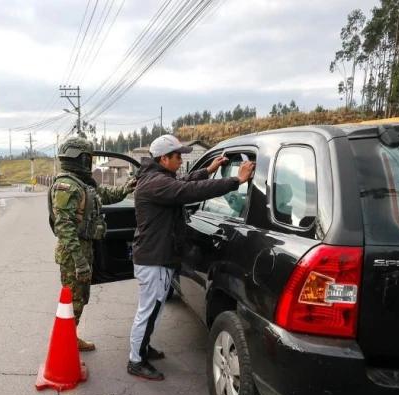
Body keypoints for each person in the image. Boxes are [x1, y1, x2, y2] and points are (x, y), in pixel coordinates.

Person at [127, 134, 254, 380]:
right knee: (148, 310)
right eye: (177, 156)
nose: (180, 160)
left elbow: (185, 181)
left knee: (154, 308)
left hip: (156, 256)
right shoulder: (156, 183)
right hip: (154, 259)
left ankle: (142, 347)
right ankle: (135, 360)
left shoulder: (157, 177)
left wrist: (209, 169)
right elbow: (188, 190)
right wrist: (236, 180)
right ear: (164, 158)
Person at [48, 136, 135, 351]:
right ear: (79, 158)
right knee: (74, 300)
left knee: (81, 297)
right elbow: (64, 227)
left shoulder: (82, 184)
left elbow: (104, 195)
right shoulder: (66, 187)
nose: (90, 162)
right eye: (88, 158)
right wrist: (78, 260)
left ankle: (70, 337)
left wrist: (127, 188)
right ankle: (66, 344)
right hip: (73, 253)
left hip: (83, 248)